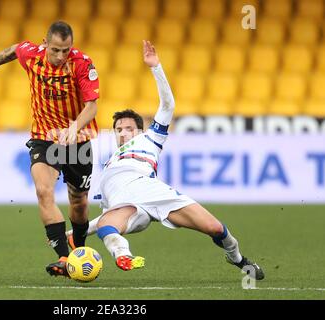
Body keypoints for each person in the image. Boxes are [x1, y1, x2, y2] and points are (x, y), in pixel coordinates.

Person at [67, 40, 264, 280]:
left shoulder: (150, 139)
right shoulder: (110, 162)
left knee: (215, 228)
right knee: (109, 225)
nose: (122, 132)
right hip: (124, 201)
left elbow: (168, 105)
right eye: (118, 129)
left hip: (151, 190)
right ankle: (122, 255)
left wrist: (156, 67)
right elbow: (108, 212)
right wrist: (77, 231)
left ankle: (238, 259)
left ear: (139, 130)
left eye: (128, 128)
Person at [0, 21, 100, 277]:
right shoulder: (32, 55)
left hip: (78, 139)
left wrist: (74, 127)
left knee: (79, 203)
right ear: (45, 43)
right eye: (55, 50)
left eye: (65, 50)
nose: (60, 56)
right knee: (43, 190)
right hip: (45, 138)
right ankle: (65, 256)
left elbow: (92, 105)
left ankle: (78, 247)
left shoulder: (82, 63)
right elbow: (12, 50)